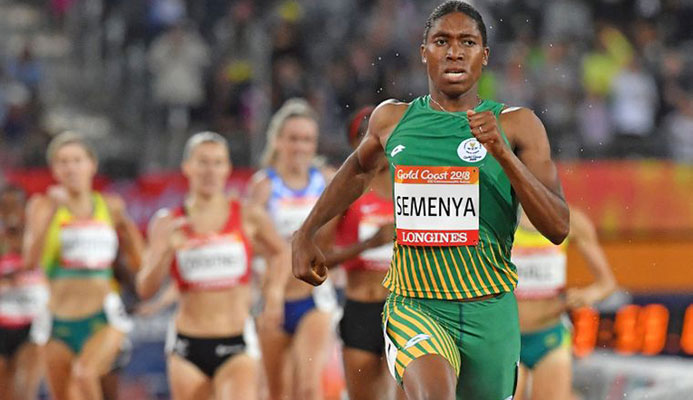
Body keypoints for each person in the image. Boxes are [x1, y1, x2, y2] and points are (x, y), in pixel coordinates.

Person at [291, 2, 570, 400]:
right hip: (415, 305)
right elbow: (357, 170)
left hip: (489, 310)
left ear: (484, 55)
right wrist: (306, 232)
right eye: (442, 41)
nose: (454, 51)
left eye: (467, 42)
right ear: (425, 51)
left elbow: (558, 227)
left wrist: (503, 154)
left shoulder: (518, 124)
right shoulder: (392, 119)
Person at [136, 132, 290, 400]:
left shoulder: (247, 215)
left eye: (217, 163)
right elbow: (145, 289)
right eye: (203, 162)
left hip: (236, 343)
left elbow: (282, 252)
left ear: (227, 168)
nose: (210, 171)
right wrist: (165, 253)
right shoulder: (166, 222)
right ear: (187, 167)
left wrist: (274, 293)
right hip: (187, 345)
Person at [22, 131, 144, 400]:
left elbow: (142, 261)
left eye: (77, 160)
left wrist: (130, 239)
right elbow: (30, 260)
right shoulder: (42, 205)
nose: (71, 168)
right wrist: (53, 209)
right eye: (63, 162)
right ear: (54, 169)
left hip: (103, 316)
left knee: (85, 374)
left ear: (92, 165)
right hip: (56, 320)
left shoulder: (110, 206)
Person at [248, 98, 337, 400]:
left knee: (308, 387)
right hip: (272, 298)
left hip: (312, 299)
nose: (301, 146)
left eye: (307, 139)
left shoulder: (325, 181)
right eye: (294, 139)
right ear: (277, 141)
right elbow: (251, 242)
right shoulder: (263, 186)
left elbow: (337, 233)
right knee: (276, 391)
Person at [319, 106, 401, 400]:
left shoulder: (411, 182)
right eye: (367, 137)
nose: (377, 144)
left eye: (384, 136)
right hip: (362, 309)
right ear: (355, 144)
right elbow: (317, 257)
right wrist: (367, 245)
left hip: (407, 309)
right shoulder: (346, 189)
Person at [513, 207, 616, 400]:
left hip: (549, 337)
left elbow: (607, 284)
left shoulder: (569, 220)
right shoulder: (501, 217)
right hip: (508, 338)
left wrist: (588, 295)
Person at [0, 185, 49, 400]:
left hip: (33, 323)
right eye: (4, 207)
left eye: (16, 206)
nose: (11, 212)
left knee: (25, 391)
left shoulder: (41, 241)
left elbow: (57, 278)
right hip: (2, 323)